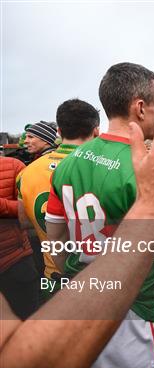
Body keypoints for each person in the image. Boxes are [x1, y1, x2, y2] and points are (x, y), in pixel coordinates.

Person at [0, 102, 154, 368]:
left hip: (75, 295)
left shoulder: (60, 166)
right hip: (134, 308)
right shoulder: (145, 172)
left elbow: (56, 243)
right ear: (141, 108)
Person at [17, 99, 99, 295]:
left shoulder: (25, 173)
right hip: (98, 273)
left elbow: (24, 221)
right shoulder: (104, 167)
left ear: (59, 132)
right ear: (96, 131)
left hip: (54, 273)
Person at [0, 156, 38, 319]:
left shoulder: (14, 166)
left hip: (15, 260)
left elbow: (30, 212)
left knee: (27, 320)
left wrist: (3, 206)